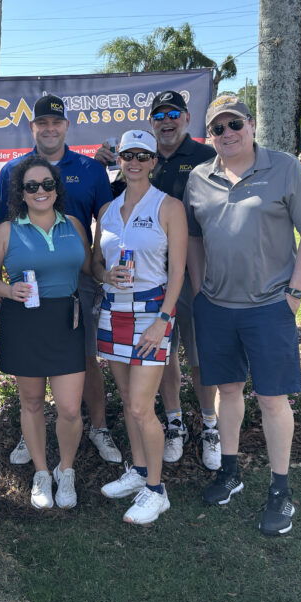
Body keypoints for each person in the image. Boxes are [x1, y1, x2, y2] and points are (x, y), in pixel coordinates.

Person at [183, 96, 301, 536]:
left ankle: (281, 491)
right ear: (210, 135)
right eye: (218, 129)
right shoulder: (198, 178)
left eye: (235, 125)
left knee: (271, 399)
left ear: (250, 125)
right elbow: (193, 239)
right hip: (217, 306)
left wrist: (295, 296)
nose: (227, 134)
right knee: (228, 392)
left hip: (269, 308)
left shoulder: (285, 168)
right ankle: (230, 472)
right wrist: (199, 289)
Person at [0, 94, 120, 467]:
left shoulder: (90, 169)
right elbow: (1, 228)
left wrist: (102, 272)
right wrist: (0, 288)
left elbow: (107, 225)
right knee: (29, 361)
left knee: (85, 358)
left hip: (77, 275)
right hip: (28, 281)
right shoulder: (12, 170)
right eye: (42, 122)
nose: (49, 128)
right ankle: (28, 436)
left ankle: (97, 427)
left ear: (66, 126)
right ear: (32, 127)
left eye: (56, 122)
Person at [97, 90, 221, 469]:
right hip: (142, 287)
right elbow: (103, 238)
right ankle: (175, 422)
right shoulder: (118, 191)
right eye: (159, 115)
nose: (167, 120)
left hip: (194, 273)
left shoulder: (205, 156)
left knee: (200, 355)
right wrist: (99, 163)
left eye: (174, 113)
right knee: (164, 360)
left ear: (186, 118)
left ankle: (211, 426)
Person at [0, 156, 91, 510]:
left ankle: (66, 469)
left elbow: (90, 267)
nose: (40, 191)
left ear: (57, 189)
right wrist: (8, 290)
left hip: (66, 320)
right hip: (24, 320)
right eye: (32, 186)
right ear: (21, 193)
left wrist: (112, 274)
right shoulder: (8, 230)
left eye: (47, 184)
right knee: (31, 403)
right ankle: (42, 472)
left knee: (71, 408)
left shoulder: (73, 223)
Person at [94, 130, 187, 525]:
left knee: (139, 405)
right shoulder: (107, 210)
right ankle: (138, 471)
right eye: (127, 154)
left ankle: (156, 490)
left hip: (152, 312)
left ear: (153, 161)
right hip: (114, 309)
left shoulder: (169, 207)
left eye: (142, 155)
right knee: (127, 400)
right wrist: (105, 276)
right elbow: (95, 263)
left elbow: (178, 270)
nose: (133, 161)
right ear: (120, 159)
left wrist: (163, 320)